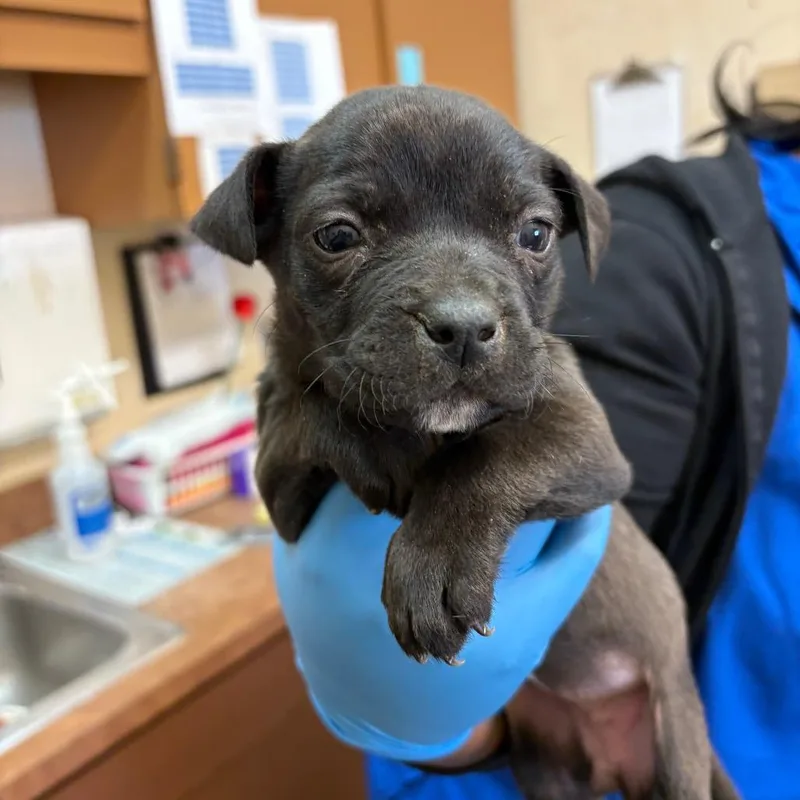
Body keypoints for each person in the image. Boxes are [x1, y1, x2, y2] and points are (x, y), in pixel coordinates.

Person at [273, 51, 800, 800]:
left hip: (703, 714)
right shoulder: (685, 241)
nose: (464, 309)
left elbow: (583, 456)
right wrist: (437, 730)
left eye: (529, 235)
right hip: (501, 738)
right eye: (341, 236)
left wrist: (467, 498)